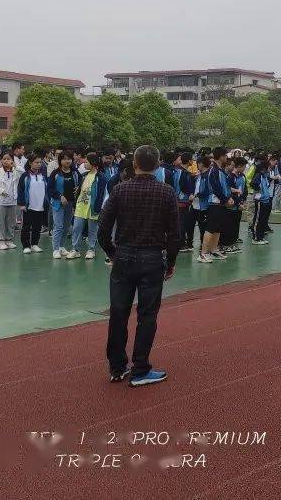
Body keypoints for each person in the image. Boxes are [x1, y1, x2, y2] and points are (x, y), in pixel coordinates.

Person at [98, 144, 181, 387]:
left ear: (134, 164)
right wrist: (171, 262)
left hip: (123, 258)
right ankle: (141, 368)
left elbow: (103, 229)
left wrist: (113, 253)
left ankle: (117, 367)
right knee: (147, 316)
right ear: (157, 166)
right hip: (152, 258)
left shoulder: (120, 190)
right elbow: (175, 235)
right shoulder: (166, 192)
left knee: (118, 313)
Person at [199, 147, 232, 263]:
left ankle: (213, 250)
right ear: (221, 156)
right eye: (226, 155)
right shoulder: (213, 171)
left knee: (217, 228)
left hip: (221, 202)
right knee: (210, 227)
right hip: (214, 203)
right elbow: (216, 188)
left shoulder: (221, 170)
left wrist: (229, 197)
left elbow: (225, 187)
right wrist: (225, 199)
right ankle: (203, 253)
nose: (227, 157)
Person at [70, 152, 105, 259]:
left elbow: (101, 193)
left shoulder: (100, 177)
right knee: (76, 228)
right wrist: (75, 204)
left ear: (93, 163)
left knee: (92, 229)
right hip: (81, 206)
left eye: (86, 162)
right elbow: (80, 190)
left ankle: (91, 249)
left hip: (93, 207)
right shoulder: (84, 175)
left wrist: (99, 207)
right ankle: (75, 249)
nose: (84, 164)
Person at [47, 151, 80, 258]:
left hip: (70, 203)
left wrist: (78, 188)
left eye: (69, 158)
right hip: (58, 203)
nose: (67, 161)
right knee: (58, 226)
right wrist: (59, 196)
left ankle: (61, 246)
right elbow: (50, 189)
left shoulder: (75, 172)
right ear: (60, 160)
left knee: (66, 226)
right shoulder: (55, 173)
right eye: (64, 159)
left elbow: (81, 183)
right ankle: (55, 249)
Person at [17, 156, 48, 253]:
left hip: (40, 206)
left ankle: (35, 244)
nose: (39, 164)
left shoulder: (43, 176)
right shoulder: (25, 176)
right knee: (26, 226)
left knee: (37, 226)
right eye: (36, 162)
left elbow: (46, 190)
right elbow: (20, 190)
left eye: (40, 162)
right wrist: (22, 204)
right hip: (28, 206)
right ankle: (26, 246)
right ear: (30, 163)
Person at [0, 153, 21, 250]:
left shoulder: (16, 172)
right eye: (4, 159)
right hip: (0, 201)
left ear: (12, 160)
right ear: (1, 161)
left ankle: (9, 240)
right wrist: (1, 191)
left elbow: (23, 174)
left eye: (9, 159)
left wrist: (16, 167)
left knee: (11, 221)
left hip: (12, 201)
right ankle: (0, 241)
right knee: (0, 222)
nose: (6, 161)